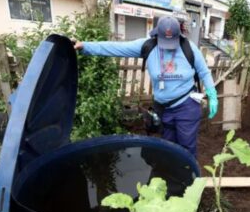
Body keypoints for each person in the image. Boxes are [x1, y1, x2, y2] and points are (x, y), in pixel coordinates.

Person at [74, 16, 218, 158]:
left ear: (178, 36)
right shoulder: (148, 46)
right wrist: (85, 46)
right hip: (164, 109)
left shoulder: (188, 48)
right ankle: (171, 178)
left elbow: (204, 72)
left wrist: (212, 94)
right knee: (169, 148)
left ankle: (189, 179)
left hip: (186, 106)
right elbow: (116, 47)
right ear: (157, 35)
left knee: (187, 147)